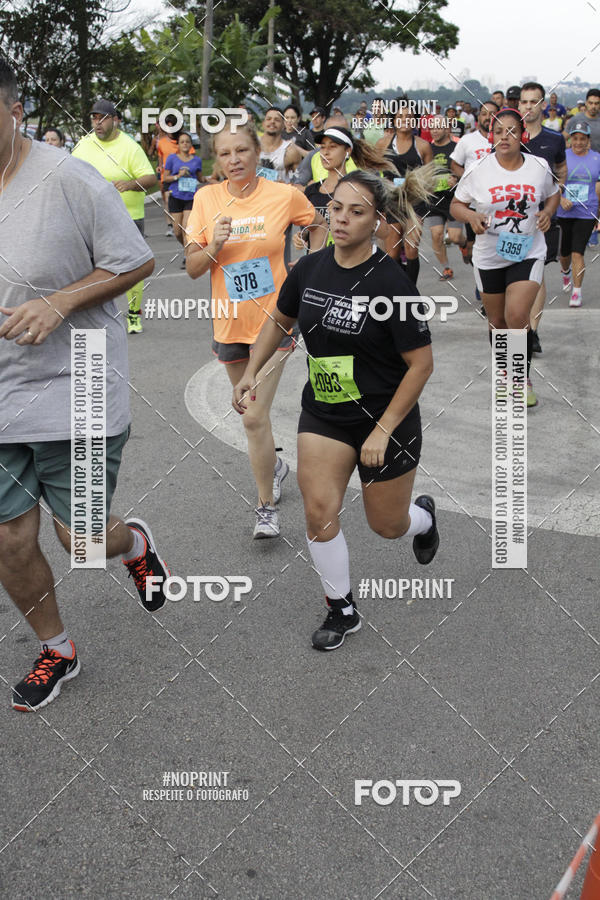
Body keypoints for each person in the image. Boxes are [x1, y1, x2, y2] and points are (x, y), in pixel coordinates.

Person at [0, 58, 170, 712]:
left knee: (84, 539)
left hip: (79, 388)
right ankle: (58, 648)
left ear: (15, 110)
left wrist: (60, 302)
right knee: (9, 539)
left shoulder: (70, 178)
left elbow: (137, 259)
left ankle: (138, 546)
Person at [232, 169, 439, 651]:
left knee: (387, 526)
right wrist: (251, 371)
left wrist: (383, 430)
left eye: (357, 212)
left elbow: (421, 365)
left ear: (377, 221)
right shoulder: (309, 269)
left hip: (385, 417)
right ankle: (341, 608)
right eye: (337, 208)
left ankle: (423, 518)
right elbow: (279, 319)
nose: (342, 219)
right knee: (319, 510)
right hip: (325, 412)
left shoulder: (392, 283)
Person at [185, 118, 327, 539]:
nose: (234, 159)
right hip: (229, 325)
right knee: (250, 415)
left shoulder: (283, 194)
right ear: (217, 159)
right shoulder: (207, 199)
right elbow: (193, 268)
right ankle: (277, 467)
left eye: (241, 151)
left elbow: (317, 223)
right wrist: (214, 245)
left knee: (252, 416)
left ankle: (266, 506)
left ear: (256, 153)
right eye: (225, 153)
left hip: (275, 321)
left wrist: (308, 265)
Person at [450, 108, 560, 408]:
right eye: (498, 132)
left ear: (522, 134)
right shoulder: (479, 170)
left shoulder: (538, 166)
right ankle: (505, 372)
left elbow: (553, 193)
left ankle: (521, 378)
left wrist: (548, 212)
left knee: (516, 316)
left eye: (511, 131)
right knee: (497, 321)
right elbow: (456, 205)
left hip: (528, 249)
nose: (504, 137)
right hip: (489, 254)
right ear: (491, 136)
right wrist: (471, 216)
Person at [72, 99, 157, 335]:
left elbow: (150, 178)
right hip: (92, 218)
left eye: (103, 118)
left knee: (134, 267)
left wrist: (129, 184)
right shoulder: (83, 145)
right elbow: (68, 171)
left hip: (128, 216)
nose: (97, 123)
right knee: (90, 268)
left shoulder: (129, 147)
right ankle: (93, 315)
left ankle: (133, 313)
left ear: (115, 120)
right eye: (94, 118)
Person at [519, 82, 567, 354]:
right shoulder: (510, 137)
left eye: (534, 101)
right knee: (516, 276)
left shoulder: (554, 139)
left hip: (543, 218)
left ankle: (532, 332)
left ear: (542, 105)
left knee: (537, 275)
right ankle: (518, 327)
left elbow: (561, 168)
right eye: (524, 102)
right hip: (512, 219)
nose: (529, 106)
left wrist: (554, 198)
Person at [299, 125, 398, 249]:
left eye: (332, 147)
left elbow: (384, 232)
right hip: (319, 264)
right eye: (322, 147)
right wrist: (301, 237)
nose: (325, 152)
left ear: (348, 151)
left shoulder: (362, 189)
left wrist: (352, 213)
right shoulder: (311, 190)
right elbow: (308, 231)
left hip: (352, 263)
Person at [376, 109, 433, 284]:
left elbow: (430, 178)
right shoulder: (383, 144)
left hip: (415, 201)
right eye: (400, 116)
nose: (404, 120)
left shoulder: (423, 146)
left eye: (409, 117)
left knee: (411, 249)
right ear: (393, 120)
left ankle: (411, 295)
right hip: (392, 201)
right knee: (392, 252)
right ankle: (397, 288)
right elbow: (372, 171)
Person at [450, 100, 499, 271]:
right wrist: (469, 179)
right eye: (484, 114)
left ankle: (491, 277)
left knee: (494, 242)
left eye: (492, 114)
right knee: (473, 245)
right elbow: (454, 164)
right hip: (473, 204)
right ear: (479, 117)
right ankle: (480, 278)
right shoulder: (467, 140)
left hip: (498, 202)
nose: (488, 118)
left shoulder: (506, 140)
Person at [557, 122, 600, 307]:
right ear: (570, 139)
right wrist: (561, 199)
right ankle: (565, 272)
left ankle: (577, 291)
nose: (579, 142)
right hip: (564, 211)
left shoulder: (597, 158)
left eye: (583, 139)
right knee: (565, 253)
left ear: (588, 141)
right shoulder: (562, 157)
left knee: (577, 252)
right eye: (575, 138)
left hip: (587, 211)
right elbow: (551, 183)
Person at [426, 116, 467, 280]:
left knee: (455, 237)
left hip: (454, 199)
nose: (435, 130)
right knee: (436, 235)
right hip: (434, 199)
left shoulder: (457, 147)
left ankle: (464, 245)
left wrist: (456, 180)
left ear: (447, 128)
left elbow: (467, 172)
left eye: (438, 127)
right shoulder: (427, 149)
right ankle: (446, 268)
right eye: (432, 127)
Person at [163, 131, 205, 265]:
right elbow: (165, 178)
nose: (185, 144)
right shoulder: (172, 159)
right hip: (176, 196)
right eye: (182, 142)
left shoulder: (196, 160)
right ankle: (186, 247)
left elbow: (200, 178)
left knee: (186, 227)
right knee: (177, 230)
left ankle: (188, 256)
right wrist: (178, 176)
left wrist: (213, 178)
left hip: (191, 197)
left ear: (191, 144)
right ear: (178, 145)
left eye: (187, 141)